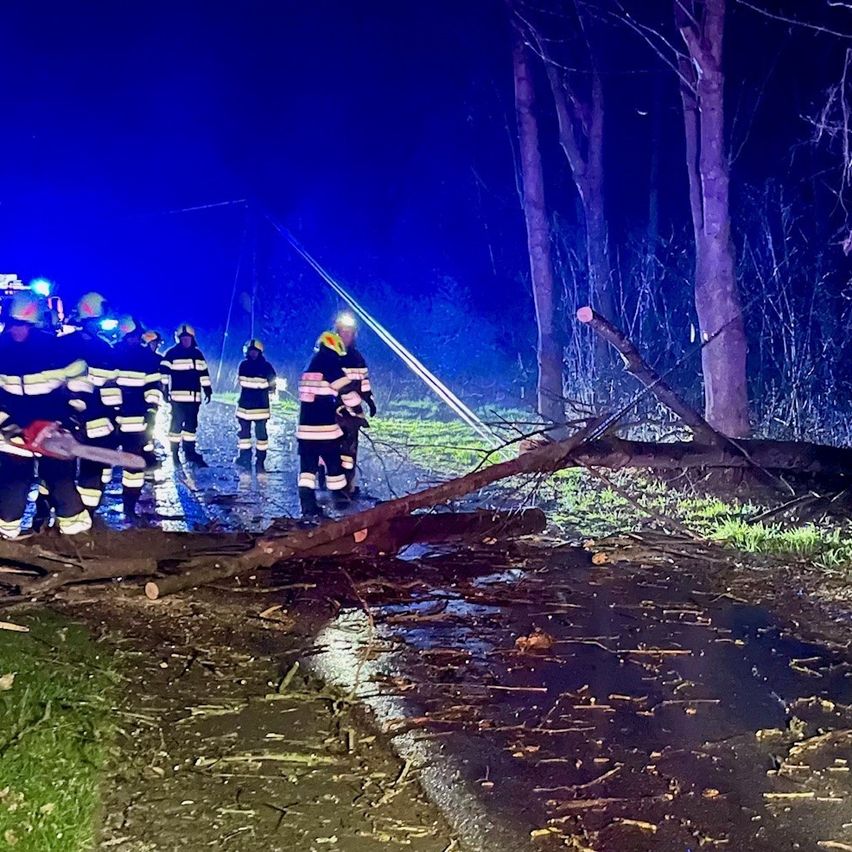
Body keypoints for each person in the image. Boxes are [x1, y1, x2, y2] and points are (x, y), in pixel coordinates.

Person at [0, 292, 91, 538]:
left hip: (53, 429)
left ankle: (77, 537)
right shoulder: (2, 350)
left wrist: (67, 420)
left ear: (37, 324)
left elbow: (81, 385)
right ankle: (7, 538)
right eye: (14, 324)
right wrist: (7, 426)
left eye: (24, 325)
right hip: (14, 432)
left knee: (60, 481)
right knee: (13, 484)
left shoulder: (57, 351)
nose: (17, 330)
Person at [61, 292, 121, 515]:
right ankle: (87, 517)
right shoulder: (103, 348)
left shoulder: (61, 343)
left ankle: (49, 517)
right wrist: (116, 421)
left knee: (58, 473)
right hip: (96, 421)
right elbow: (112, 393)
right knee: (92, 471)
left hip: (64, 419)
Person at [297, 330, 362, 517]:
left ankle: (308, 505)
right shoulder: (331, 365)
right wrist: (357, 412)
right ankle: (340, 500)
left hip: (305, 430)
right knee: (334, 466)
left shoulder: (309, 366)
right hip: (325, 429)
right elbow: (348, 393)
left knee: (307, 470)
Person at [113, 317, 162, 516]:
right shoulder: (113, 354)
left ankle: (129, 507)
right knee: (103, 465)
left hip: (127, 419)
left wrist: (151, 411)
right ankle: (125, 508)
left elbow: (153, 388)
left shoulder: (142, 357)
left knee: (132, 465)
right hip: (116, 420)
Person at [335, 312, 376, 495]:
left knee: (349, 452)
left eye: (349, 333)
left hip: (352, 413)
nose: (346, 336)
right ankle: (328, 482)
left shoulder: (357, 358)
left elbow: (363, 382)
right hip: (331, 411)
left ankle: (347, 485)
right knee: (329, 448)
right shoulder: (329, 356)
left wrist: (369, 400)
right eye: (343, 333)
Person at [160, 323, 212, 467]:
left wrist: (207, 389)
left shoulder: (197, 354)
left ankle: (190, 452)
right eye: (183, 338)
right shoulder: (171, 354)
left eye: (188, 338)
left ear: (192, 338)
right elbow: (163, 373)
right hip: (177, 399)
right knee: (176, 426)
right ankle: (175, 454)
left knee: (191, 427)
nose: (185, 340)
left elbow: (204, 374)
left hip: (194, 399)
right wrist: (164, 389)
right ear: (178, 339)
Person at [235, 338, 277, 471]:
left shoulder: (266, 366)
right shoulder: (244, 365)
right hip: (249, 407)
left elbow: (272, 384)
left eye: (255, 351)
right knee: (244, 436)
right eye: (251, 351)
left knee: (261, 436)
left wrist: (265, 386)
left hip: (257, 408)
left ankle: (260, 460)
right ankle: (244, 458)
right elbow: (245, 382)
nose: (253, 353)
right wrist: (263, 385)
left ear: (260, 352)